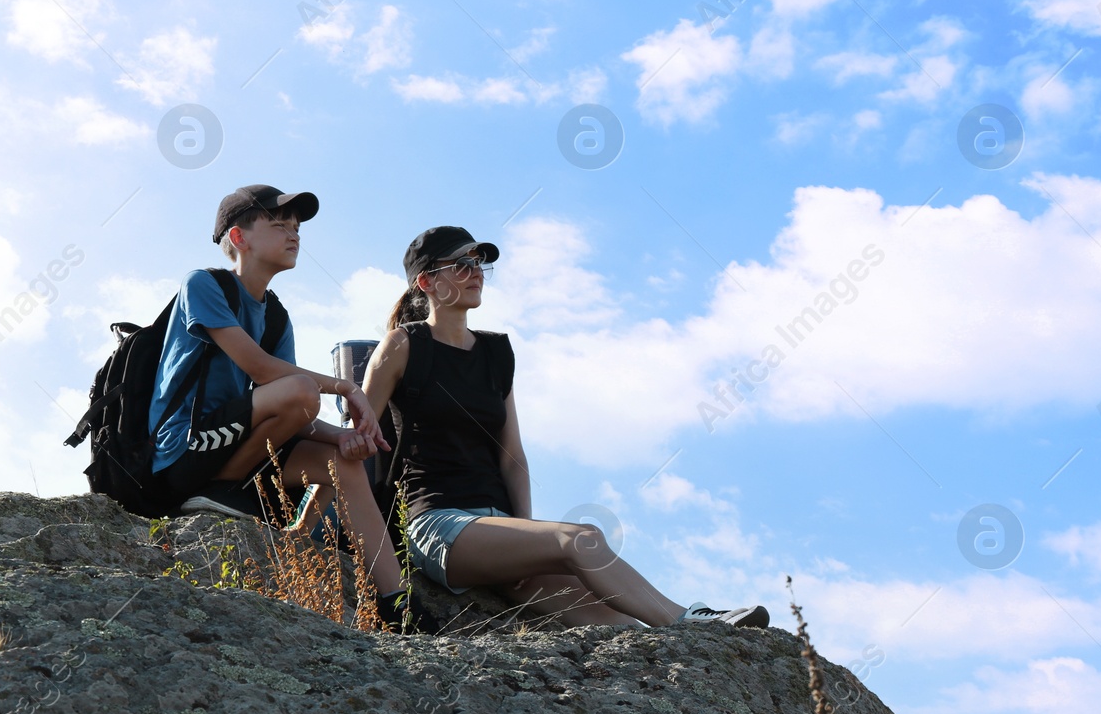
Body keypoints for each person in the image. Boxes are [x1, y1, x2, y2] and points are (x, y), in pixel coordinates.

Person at [359, 225, 770, 629]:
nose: (477, 272)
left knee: (618, 618)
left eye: (479, 262)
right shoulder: (402, 345)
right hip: (439, 525)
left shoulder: (496, 353)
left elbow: (512, 454)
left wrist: (526, 530)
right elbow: (357, 441)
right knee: (582, 538)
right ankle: (691, 618)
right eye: (462, 264)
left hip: (499, 530)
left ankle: (688, 634)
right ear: (427, 280)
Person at [148, 185, 437, 633]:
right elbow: (264, 372)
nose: (294, 234)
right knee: (302, 388)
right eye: (279, 224)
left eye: (297, 227)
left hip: (234, 446)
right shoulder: (204, 284)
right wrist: (344, 385)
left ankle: (396, 603)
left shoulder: (276, 314)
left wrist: (342, 436)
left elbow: (293, 415)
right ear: (238, 237)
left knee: (342, 459)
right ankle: (221, 490)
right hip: (183, 452)